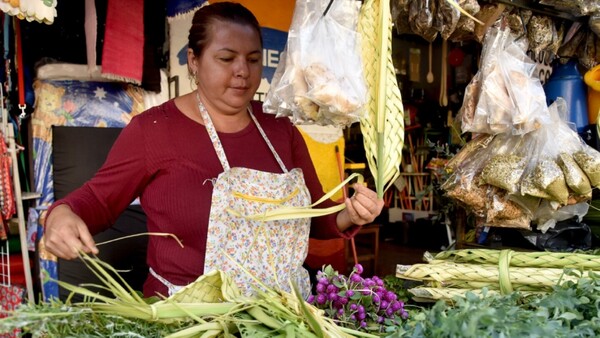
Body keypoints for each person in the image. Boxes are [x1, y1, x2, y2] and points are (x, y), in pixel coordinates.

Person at [43, 2, 384, 299]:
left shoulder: (280, 129)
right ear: (193, 60)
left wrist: (351, 214)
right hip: (188, 318)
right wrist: (61, 215)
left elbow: (317, 219)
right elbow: (97, 201)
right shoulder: (154, 130)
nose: (242, 72)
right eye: (226, 58)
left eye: (253, 59)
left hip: (280, 315)